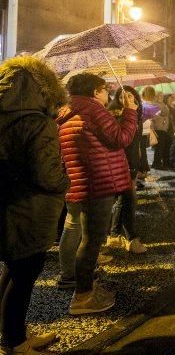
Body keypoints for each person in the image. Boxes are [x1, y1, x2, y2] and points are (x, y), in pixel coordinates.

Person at [0, 57, 68, 353]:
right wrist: (64, 181)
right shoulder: (39, 124)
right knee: (26, 271)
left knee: (13, 267)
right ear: (41, 90)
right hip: (30, 208)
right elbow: (47, 175)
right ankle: (15, 341)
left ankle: (9, 330)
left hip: (6, 203)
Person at [57, 72, 138, 315]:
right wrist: (130, 111)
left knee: (81, 234)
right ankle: (82, 297)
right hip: (98, 182)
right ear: (95, 91)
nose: (107, 93)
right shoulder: (94, 110)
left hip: (80, 181)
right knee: (91, 241)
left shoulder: (66, 110)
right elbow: (121, 138)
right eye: (105, 89)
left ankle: (81, 284)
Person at [106, 87, 148, 254]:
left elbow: (138, 142)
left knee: (125, 199)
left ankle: (115, 236)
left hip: (132, 161)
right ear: (118, 99)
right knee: (128, 199)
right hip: (123, 163)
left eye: (131, 95)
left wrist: (142, 164)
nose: (128, 98)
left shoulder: (135, 114)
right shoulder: (117, 114)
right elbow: (123, 142)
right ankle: (131, 239)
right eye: (124, 96)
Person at [149, 91, 171, 170]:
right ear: (156, 97)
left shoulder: (163, 104)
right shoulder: (154, 105)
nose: (161, 97)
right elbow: (155, 116)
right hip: (158, 128)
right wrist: (162, 112)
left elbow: (166, 113)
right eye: (159, 96)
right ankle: (156, 163)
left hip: (164, 128)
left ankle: (165, 162)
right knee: (159, 147)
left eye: (162, 96)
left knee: (165, 146)